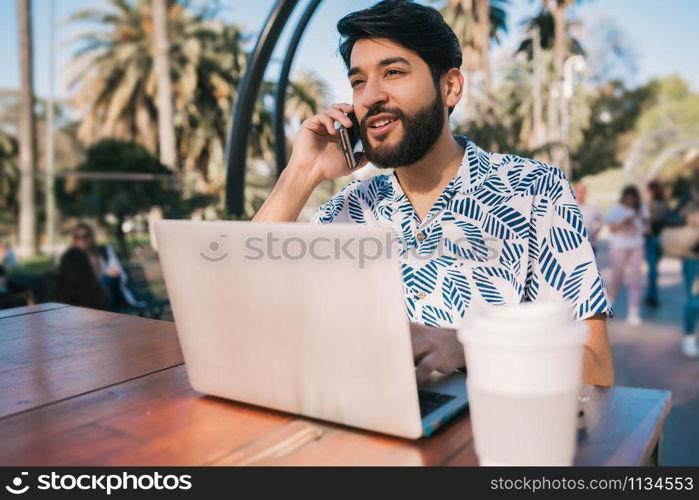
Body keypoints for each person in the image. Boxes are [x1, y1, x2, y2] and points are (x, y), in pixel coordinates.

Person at [253, 1, 614, 386]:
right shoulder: (344, 210)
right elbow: (243, 303)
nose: (369, 96)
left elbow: (597, 369)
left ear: (450, 87)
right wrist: (301, 174)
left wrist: (471, 348)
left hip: (492, 435)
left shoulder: (534, 190)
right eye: (358, 81)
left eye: (392, 72)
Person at [71, 223, 141, 311]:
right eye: (78, 237)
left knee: (105, 283)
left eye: (86, 236)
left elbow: (117, 273)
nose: (82, 240)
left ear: (91, 236)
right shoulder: (72, 258)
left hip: (113, 293)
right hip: (88, 300)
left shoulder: (104, 251)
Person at [605, 185, 647, 326]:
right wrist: (623, 222)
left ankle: (633, 312)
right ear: (624, 197)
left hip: (636, 245)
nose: (630, 200)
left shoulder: (641, 209)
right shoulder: (617, 209)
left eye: (633, 197)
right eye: (628, 197)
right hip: (619, 246)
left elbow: (647, 227)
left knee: (636, 278)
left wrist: (638, 226)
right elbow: (611, 228)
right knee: (617, 277)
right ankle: (608, 305)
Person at [643, 180, 669, 308]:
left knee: (653, 269)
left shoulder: (657, 202)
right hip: (654, 238)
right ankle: (652, 296)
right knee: (653, 269)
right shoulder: (654, 203)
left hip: (657, 238)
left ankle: (652, 295)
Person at [574, 182, 603, 255]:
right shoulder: (570, 208)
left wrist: (595, 233)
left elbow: (601, 221)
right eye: (579, 191)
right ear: (575, 191)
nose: (581, 194)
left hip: (590, 245)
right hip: (573, 246)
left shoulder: (592, 208)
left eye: (583, 191)